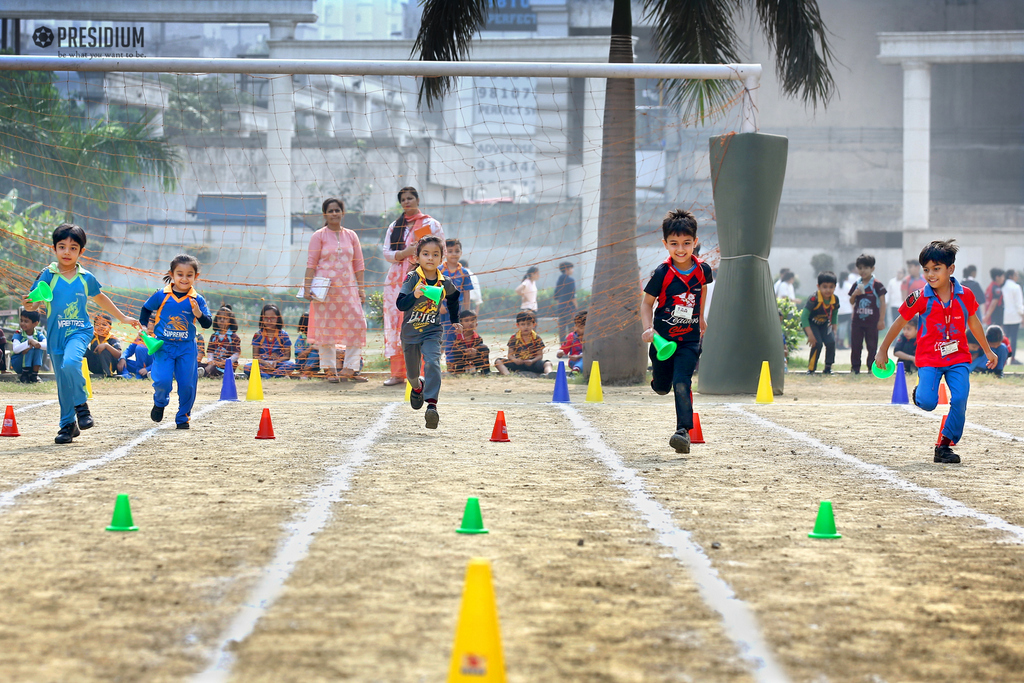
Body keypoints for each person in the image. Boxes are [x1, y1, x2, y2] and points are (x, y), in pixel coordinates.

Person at [875, 239, 997, 464]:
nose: (930, 275)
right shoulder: (919, 296)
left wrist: (987, 350)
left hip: (958, 357)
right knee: (928, 402)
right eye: (926, 270)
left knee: (960, 398)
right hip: (929, 359)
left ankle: (944, 447)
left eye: (936, 269)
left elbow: (975, 323)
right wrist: (883, 350)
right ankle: (919, 394)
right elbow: (900, 322)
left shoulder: (966, 295)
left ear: (950, 269)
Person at [22, 223, 140, 444]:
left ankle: (82, 406)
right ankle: (68, 425)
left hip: (80, 331)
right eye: (62, 246)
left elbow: (101, 297)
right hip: (56, 335)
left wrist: (123, 317)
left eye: (73, 248)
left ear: (81, 251)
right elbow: (35, 303)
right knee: (63, 381)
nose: (67, 252)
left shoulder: (86, 277)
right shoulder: (48, 274)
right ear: (54, 249)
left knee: (71, 362)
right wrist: (29, 302)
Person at [640, 209, 713, 455]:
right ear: (665, 244)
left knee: (682, 382)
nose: (680, 249)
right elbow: (646, 304)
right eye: (674, 244)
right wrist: (648, 329)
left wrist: (700, 316)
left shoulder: (703, 270)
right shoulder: (662, 273)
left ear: (695, 242)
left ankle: (683, 432)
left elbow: (701, 290)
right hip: (662, 340)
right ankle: (659, 381)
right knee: (663, 386)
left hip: (689, 340)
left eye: (686, 243)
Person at [396, 235, 462, 429]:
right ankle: (418, 387)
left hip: (432, 331)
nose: (430, 258)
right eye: (426, 254)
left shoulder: (444, 282)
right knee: (412, 375)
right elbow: (400, 304)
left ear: (441, 258)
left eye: (435, 254)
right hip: (410, 333)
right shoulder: (413, 278)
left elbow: (454, 298)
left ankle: (432, 405)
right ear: (417, 257)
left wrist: (455, 320)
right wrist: (414, 294)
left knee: (433, 361)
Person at [139, 254, 213, 428]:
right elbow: (145, 309)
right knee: (162, 380)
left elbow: (208, 323)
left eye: (189, 275)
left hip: (187, 348)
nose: (184, 278)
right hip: (164, 346)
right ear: (172, 274)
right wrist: (143, 326)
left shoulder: (197, 299)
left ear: (196, 277)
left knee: (187, 384)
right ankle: (160, 402)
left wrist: (199, 314)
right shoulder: (161, 295)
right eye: (180, 274)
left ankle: (183, 417)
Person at [382, 186, 444, 386]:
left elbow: (440, 251)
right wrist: (406, 252)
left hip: (423, 279)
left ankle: (426, 372)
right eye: (403, 199)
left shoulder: (430, 224)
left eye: (410, 198)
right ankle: (398, 373)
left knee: (422, 319)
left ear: (417, 199)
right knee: (396, 323)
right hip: (396, 281)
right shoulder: (395, 226)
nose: (407, 202)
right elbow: (387, 253)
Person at [303, 197, 367, 383]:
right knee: (326, 329)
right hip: (325, 291)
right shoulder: (319, 236)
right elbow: (311, 264)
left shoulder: (351, 235)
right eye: (330, 211)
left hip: (348, 289)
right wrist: (307, 287)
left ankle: (350, 368)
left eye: (337, 210)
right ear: (325, 214)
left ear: (342, 212)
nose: (334, 214)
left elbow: (359, 264)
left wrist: (361, 289)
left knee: (357, 324)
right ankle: (330, 369)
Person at [848, 254, 887, 375]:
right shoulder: (856, 284)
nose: (862, 271)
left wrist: (881, 320)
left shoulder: (877, 285)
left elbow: (882, 303)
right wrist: (855, 294)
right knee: (855, 346)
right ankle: (855, 368)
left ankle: (871, 368)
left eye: (866, 268)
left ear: (872, 269)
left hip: (872, 322)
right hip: (857, 322)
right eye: (860, 268)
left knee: (872, 346)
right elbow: (851, 302)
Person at [440, 238, 474, 363]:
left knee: (454, 336)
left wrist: (466, 313)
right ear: (445, 253)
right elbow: (433, 290)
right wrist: (439, 306)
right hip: (441, 310)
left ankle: (453, 363)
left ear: (461, 253)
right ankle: (432, 363)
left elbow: (467, 294)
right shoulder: (439, 270)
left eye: (457, 251)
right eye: (450, 251)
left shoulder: (464, 273)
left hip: (457, 310)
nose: (454, 254)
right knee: (439, 336)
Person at [801, 271, 839, 375]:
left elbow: (834, 313)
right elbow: (804, 317)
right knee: (817, 344)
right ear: (818, 286)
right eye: (825, 287)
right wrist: (810, 335)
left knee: (831, 342)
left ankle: (828, 368)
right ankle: (811, 369)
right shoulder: (814, 298)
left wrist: (834, 329)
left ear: (835, 287)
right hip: (811, 324)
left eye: (831, 287)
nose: (828, 290)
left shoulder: (835, 299)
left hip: (824, 324)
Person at [495, 310, 552, 376]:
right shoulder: (514, 337)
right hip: (518, 364)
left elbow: (540, 355)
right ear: (517, 325)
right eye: (522, 324)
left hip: (532, 364)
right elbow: (510, 355)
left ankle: (549, 375)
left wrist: (532, 361)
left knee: (547, 363)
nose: (526, 327)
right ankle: (508, 375)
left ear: (534, 325)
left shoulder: (537, 338)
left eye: (528, 324)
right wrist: (515, 360)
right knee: (498, 361)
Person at [247, 304, 296, 378]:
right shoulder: (258, 335)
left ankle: (269, 376)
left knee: (291, 365)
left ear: (278, 319)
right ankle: (269, 376)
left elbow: (287, 356)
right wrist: (264, 363)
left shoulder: (284, 335)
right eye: (266, 318)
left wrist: (276, 362)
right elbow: (255, 356)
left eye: (272, 318)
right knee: (247, 367)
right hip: (262, 364)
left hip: (278, 364)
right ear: (262, 319)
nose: (269, 321)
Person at [447, 310, 490, 374]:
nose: (470, 323)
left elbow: (480, 349)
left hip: (475, 360)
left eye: (472, 320)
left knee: (484, 348)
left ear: (476, 324)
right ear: (460, 323)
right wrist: (465, 350)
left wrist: (475, 350)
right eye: (466, 321)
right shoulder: (456, 336)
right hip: (462, 362)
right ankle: (459, 371)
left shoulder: (478, 337)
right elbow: (454, 349)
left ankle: (486, 371)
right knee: (457, 350)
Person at [204, 305, 241, 378]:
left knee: (213, 369)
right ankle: (205, 372)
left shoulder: (234, 337)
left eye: (225, 318)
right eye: (219, 318)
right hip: (214, 364)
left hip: (227, 365)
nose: (221, 320)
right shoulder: (214, 336)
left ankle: (209, 373)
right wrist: (211, 361)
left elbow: (236, 354)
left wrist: (226, 362)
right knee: (198, 364)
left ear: (231, 321)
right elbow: (210, 352)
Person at [11, 309, 46, 383]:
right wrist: (29, 342)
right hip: (19, 363)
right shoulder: (18, 334)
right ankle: (24, 374)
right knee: (30, 349)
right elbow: (15, 349)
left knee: (38, 348)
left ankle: (34, 374)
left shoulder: (39, 335)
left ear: (35, 323)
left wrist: (37, 344)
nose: (22, 323)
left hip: (32, 365)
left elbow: (47, 346)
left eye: (26, 321)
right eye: (21, 320)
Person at [85, 313, 124, 378]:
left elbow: (118, 354)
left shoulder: (112, 338)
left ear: (110, 328)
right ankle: (81, 372)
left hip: (109, 365)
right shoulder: (92, 337)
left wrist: (106, 346)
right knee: (82, 349)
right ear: (94, 327)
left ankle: (108, 375)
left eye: (104, 325)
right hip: (95, 365)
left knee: (104, 350)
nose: (101, 327)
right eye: (97, 325)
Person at [1000, 268, 1022, 364]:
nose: (1017, 277)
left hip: (1005, 316)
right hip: (1015, 316)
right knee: (1013, 338)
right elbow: (1019, 304)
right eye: (1016, 275)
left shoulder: (1003, 287)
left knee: (1005, 337)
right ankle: (1012, 358)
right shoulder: (1016, 287)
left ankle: (1004, 358)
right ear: (1011, 276)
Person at [557, 309, 586, 373]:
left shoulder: (591, 338)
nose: (577, 329)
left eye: (581, 327)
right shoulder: (571, 337)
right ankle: (576, 370)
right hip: (574, 361)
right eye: (576, 326)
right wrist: (560, 353)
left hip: (587, 360)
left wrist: (579, 356)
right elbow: (562, 350)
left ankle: (576, 370)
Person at [837, 264, 858, 350]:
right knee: (846, 327)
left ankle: (838, 342)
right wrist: (853, 310)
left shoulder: (836, 285)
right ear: (846, 277)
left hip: (838, 309)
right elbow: (851, 300)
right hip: (847, 309)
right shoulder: (849, 286)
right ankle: (844, 343)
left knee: (839, 326)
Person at [554, 261, 577, 342]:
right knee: (571, 327)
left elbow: (556, 295)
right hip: (569, 307)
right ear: (567, 269)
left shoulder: (559, 280)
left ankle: (562, 346)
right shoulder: (570, 280)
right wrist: (576, 306)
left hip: (560, 307)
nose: (573, 270)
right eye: (571, 268)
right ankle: (571, 344)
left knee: (562, 328)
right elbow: (572, 295)